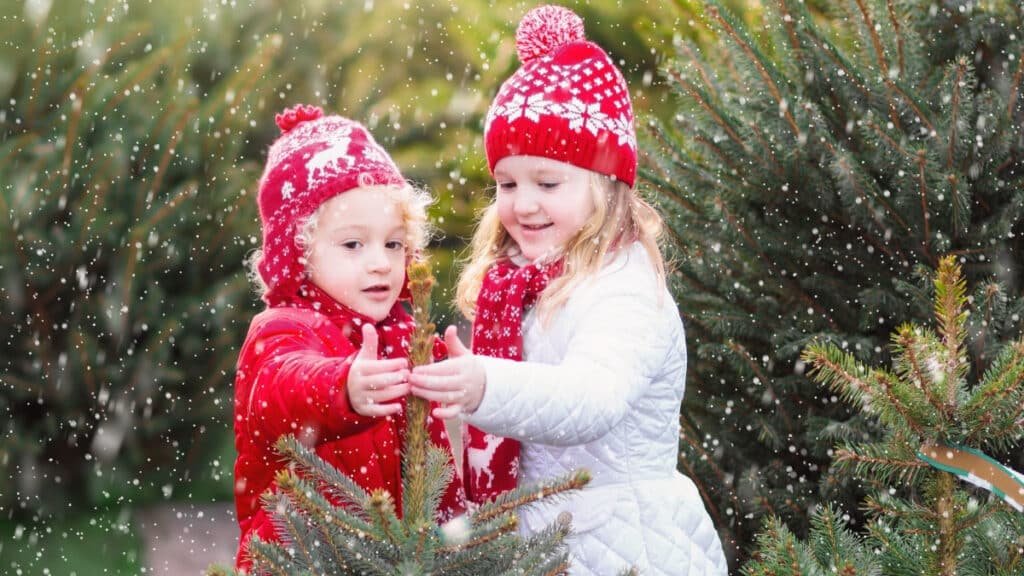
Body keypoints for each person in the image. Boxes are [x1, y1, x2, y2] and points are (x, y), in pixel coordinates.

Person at [409, 5, 728, 575]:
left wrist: (485, 384)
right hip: (544, 537)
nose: (523, 203)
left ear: (606, 186)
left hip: (622, 544)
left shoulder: (625, 287)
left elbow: (591, 399)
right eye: (507, 183)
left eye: (547, 182)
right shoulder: (520, 284)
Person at [232, 104, 465, 569]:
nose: (380, 262)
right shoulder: (283, 328)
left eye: (393, 243)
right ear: (299, 253)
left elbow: (434, 469)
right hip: (305, 557)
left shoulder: (407, 338)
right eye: (354, 244)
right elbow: (280, 386)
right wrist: (341, 386)